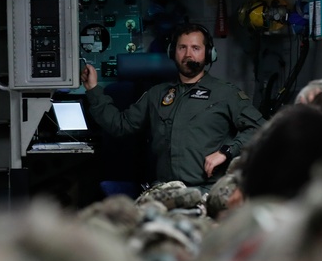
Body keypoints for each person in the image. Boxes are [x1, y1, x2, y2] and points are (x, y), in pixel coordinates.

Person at [81, 23, 265, 188]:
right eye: (182, 47)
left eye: (195, 48)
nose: (188, 54)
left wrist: (226, 151)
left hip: (207, 190)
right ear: (172, 52)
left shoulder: (226, 93)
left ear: (209, 54)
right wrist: (93, 89)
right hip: (166, 190)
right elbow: (120, 125)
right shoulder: (157, 94)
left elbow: (260, 129)